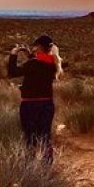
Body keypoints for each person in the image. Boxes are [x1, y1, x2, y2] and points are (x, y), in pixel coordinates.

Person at [7, 34, 63, 164]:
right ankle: (47, 166)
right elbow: (39, 64)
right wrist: (30, 56)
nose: (33, 48)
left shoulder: (33, 63)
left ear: (39, 47)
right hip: (47, 104)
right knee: (45, 136)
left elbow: (12, 72)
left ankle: (30, 166)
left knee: (30, 137)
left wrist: (14, 54)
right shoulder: (53, 64)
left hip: (30, 105)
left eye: (35, 46)